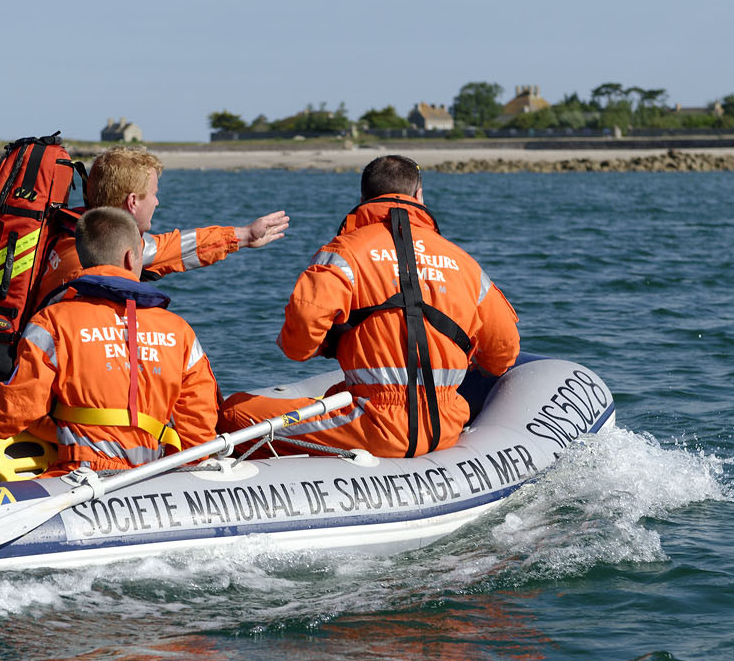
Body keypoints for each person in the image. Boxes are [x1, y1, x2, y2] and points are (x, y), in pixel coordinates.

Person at [219, 155, 519, 458]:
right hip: (444, 424)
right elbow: (502, 354)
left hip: (374, 424)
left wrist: (330, 342)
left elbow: (297, 347)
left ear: (363, 199)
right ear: (419, 196)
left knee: (233, 414)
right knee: (338, 394)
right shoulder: (464, 262)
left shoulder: (342, 253)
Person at [0, 207, 219, 473]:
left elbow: (10, 415)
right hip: (152, 478)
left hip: (81, 473)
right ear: (131, 257)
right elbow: (198, 433)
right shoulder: (179, 331)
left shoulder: (52, 323)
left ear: (83, 257)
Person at [33, 146, 289, 300]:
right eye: (154, 194)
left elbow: (175, 247)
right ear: (133, 202)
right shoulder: (99, 259)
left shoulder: (75, 235)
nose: (157, 202)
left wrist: (245, 235)